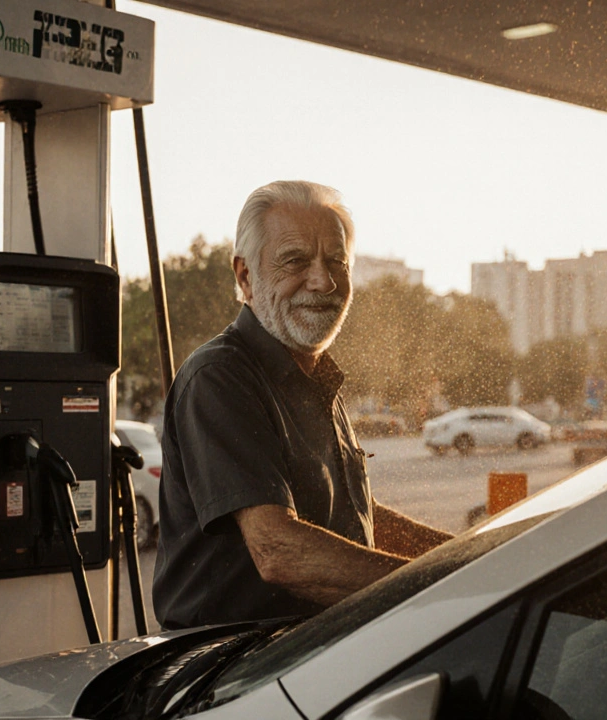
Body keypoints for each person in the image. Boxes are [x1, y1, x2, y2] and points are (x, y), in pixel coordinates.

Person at [152, 180, 453, 630]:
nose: (323, 280)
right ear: (245, 276)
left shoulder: (314, 375)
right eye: (294, 261)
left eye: (337, 261)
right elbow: (277, 550)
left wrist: (475, 552)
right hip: (236, 671)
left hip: (312, 657)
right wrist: (450, 585)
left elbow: (353, 517)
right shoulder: (219, 376)